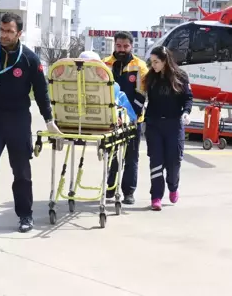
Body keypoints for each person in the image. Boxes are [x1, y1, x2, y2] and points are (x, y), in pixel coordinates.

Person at [0, 12, 61, 239]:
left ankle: (25, 215)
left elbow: (41, 93)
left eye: (9, 31)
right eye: (1, 29)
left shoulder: (30, 59)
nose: (4, 35)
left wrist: (49, 120)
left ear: (19, 33)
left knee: (21, 172)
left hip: (18, 121)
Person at [143, 46, 192, 211]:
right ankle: (156, 196)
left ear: (165, 61)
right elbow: (143, 97)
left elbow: (188, 98)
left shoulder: (181, 76)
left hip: (174, 124)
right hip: (154, 124)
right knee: (156, 161)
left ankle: (173, 186)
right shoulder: (151, 77)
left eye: (156, 62)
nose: (153, 65)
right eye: (152, 62)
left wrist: (186, 112)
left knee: (173, 161)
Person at [102, 32, 148, 205]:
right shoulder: (105, 64)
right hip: (111, 120)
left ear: (131, 46)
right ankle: (110, 187)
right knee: (111, 155)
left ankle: (128, 192)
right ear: (114, 45)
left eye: (125, 46)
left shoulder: (140, 66)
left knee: (131, 157)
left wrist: (129, 116)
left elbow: (141, 94)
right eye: (119, 46)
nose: (121, 49)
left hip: (134, 119)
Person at [78, 50, 137, 124]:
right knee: (120, 96)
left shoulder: (64, 84)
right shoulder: (112, 87)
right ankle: (126, 119)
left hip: (72, 119)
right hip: (104, 120)